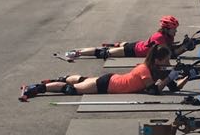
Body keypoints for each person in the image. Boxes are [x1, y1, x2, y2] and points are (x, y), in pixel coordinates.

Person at [20, 43, 185, 100]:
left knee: (82, 80)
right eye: (166, 61)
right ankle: (37, 88)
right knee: (73, 90)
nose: (169, 63)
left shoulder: (154, 69)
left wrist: (187, 76)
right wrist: (170, 76)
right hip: (108, 84)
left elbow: (173, 88)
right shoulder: (144, 70)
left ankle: (64, 78)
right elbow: (155, 91)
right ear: (157, 60)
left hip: (112, 81)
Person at [58, 14, 181, 62]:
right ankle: (76, 52)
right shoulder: (159, 37)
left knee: (114, 48)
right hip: (133, 50)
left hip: (138, 45)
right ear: (166, 29)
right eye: (174, 29)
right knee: (103, 53)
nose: (175, 31)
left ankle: (116, 45)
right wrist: (183, 47)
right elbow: (169, 53)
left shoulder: (166, 36)